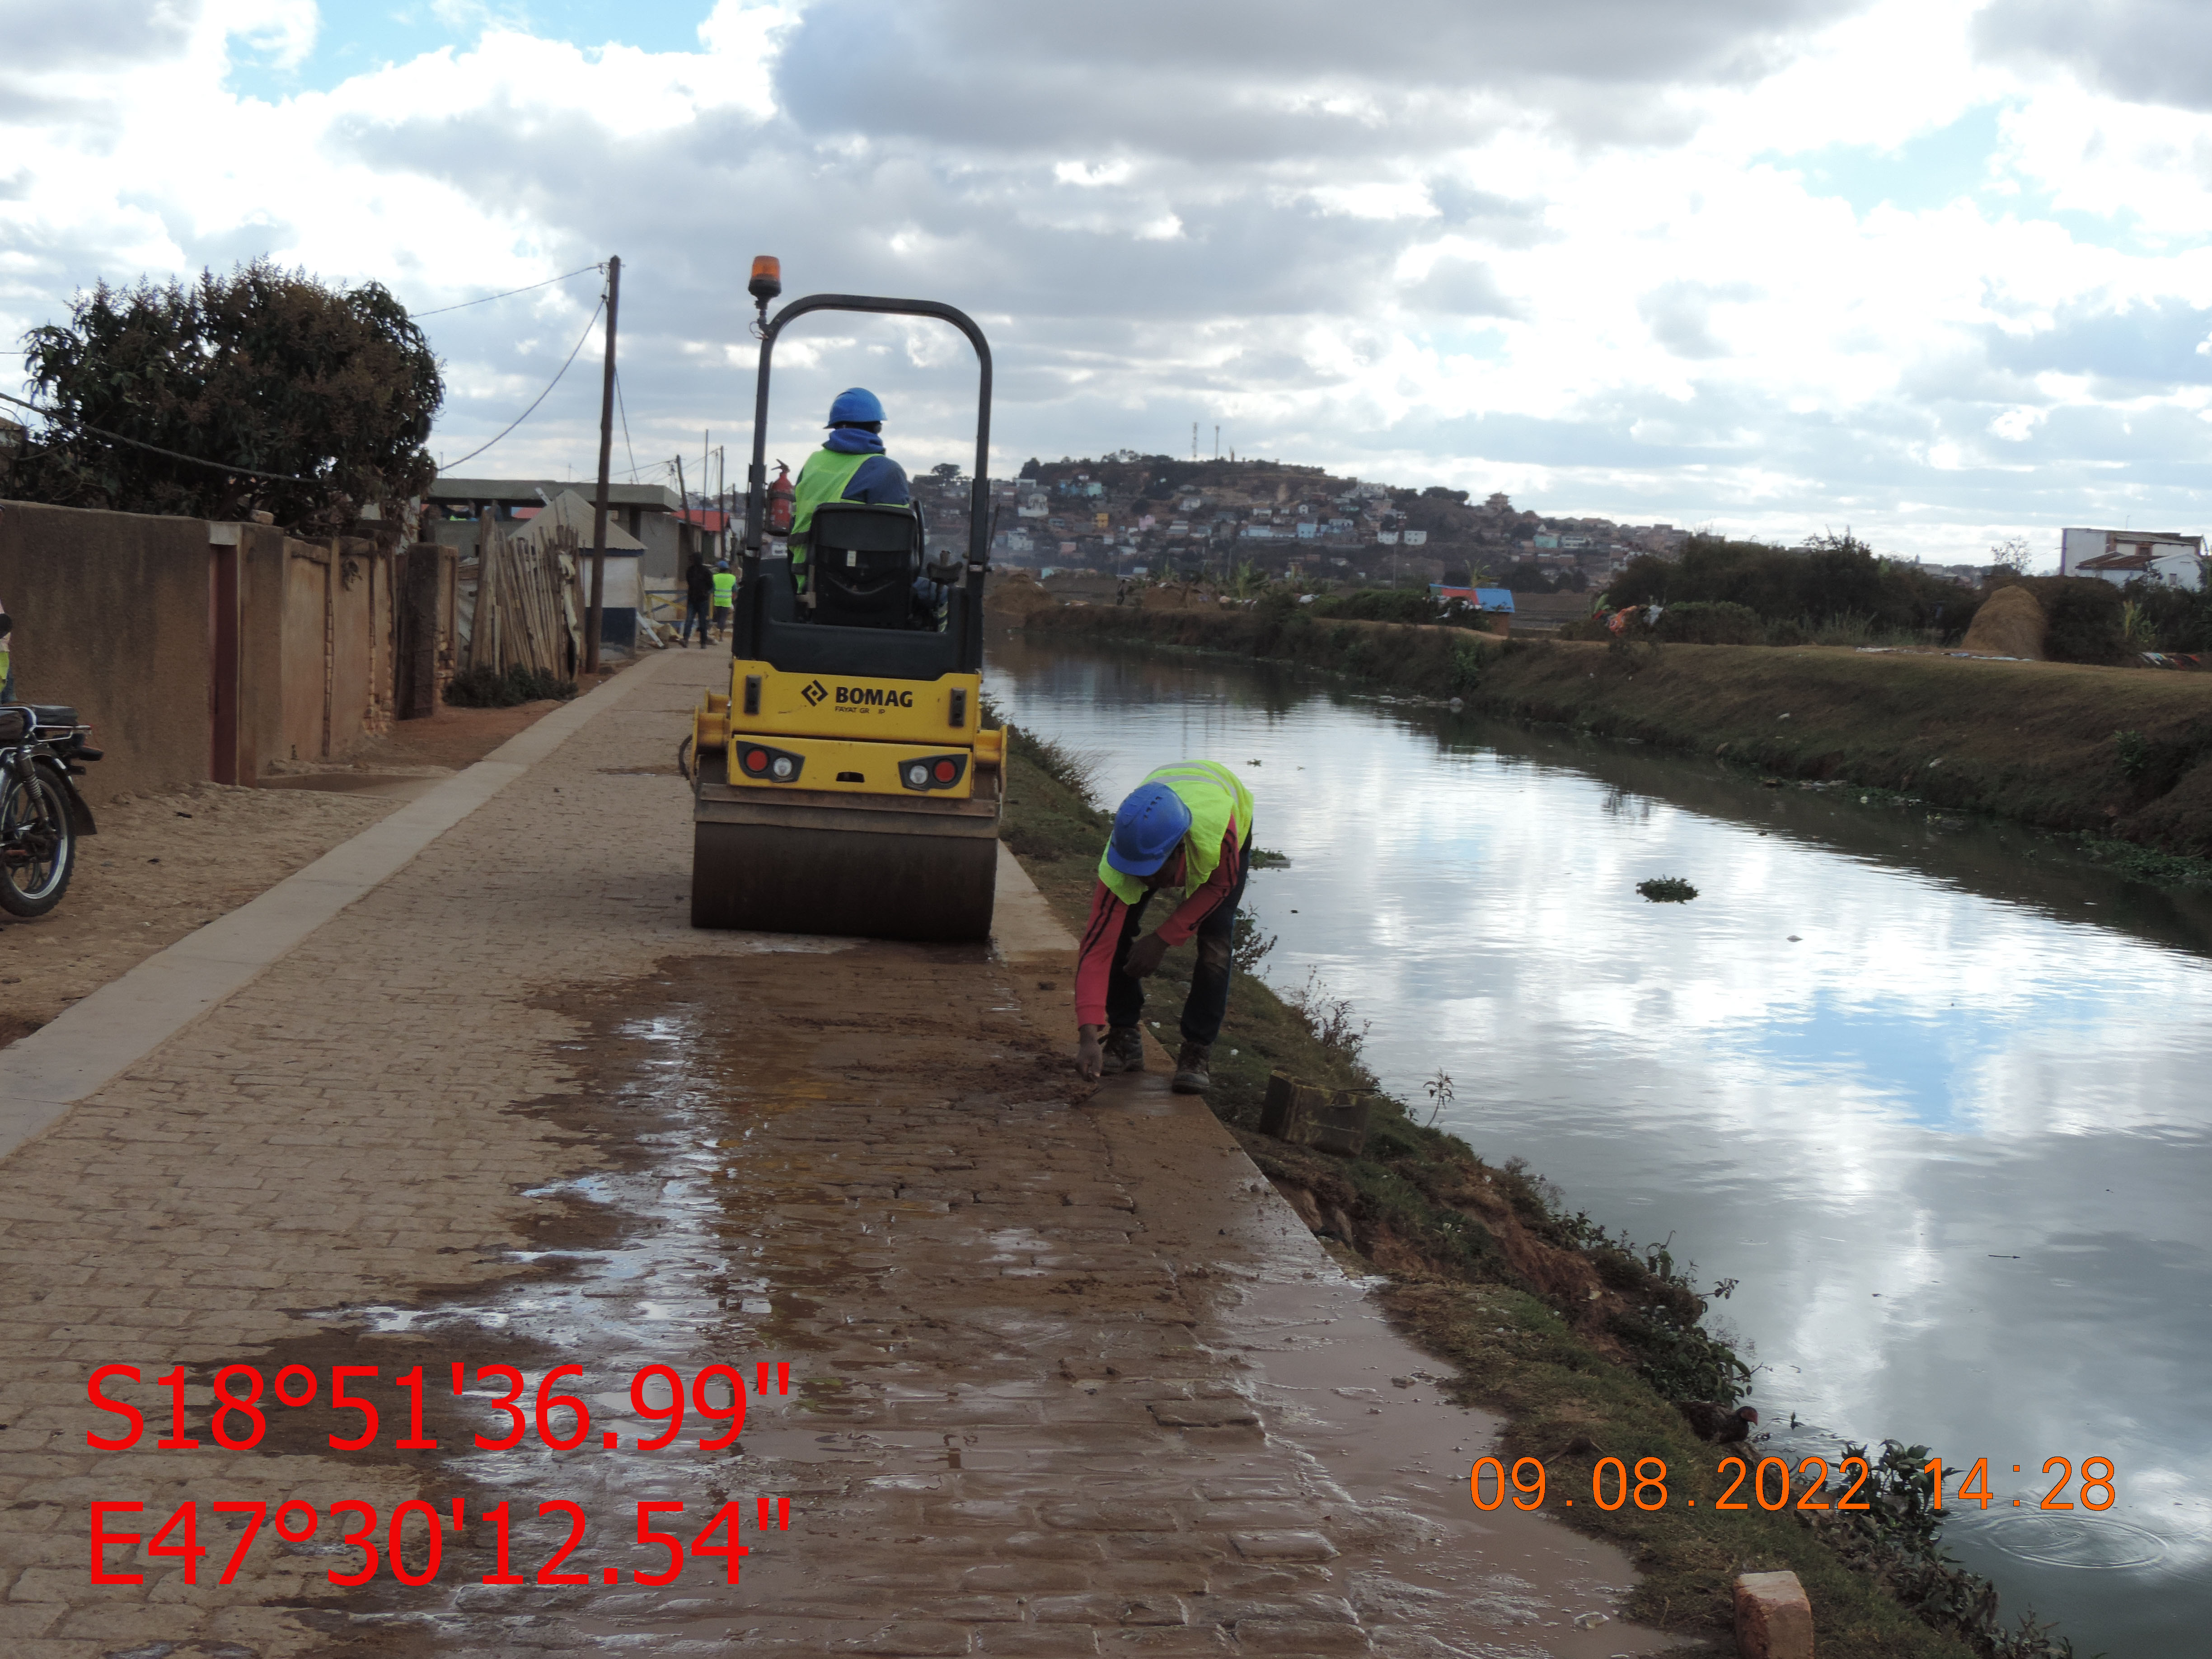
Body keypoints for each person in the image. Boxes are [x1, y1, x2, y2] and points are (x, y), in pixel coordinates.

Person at [1073, 760, 1255, 1094]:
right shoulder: (1126, 853)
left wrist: (1162, 938)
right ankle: (1123, 1035)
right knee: (1117, 934)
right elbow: (1096, 949)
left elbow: (1220, 887)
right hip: (1164, 819)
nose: (1147, 881)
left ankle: (1197, 1051)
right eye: (1138, 872)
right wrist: (1087, 1034)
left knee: (1215, 942)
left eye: (1155, 872)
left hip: (1224, 816)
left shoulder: (1219, 833)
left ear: (1181, 851)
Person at [788, 387, 912, 601]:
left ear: (835, 427)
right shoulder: (886, 471)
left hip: (808, 584)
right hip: (873, 590)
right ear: (877, 427)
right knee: (941, 596)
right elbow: (899, 544)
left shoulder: (812, 464)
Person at [681, 554, 714, 648]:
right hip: (693, 599)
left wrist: (703, 592)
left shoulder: (706, 572)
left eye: (693, 559)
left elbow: (710, 585)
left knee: (702, 621)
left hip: (702, 600)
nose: (691, 561)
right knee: (689, 620)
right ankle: (686, 639)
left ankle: (703, 642)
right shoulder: (690, 571)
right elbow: (690, 582)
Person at [710, 559, 736, 641]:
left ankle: (716, 633)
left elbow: (712, 590)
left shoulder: (715, 577)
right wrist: (733, 599)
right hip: (727, 601)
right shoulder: (732, 578)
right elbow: (735, 590)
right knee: (723, 618)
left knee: (717, 617)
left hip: (717, 601)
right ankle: (720, 635)